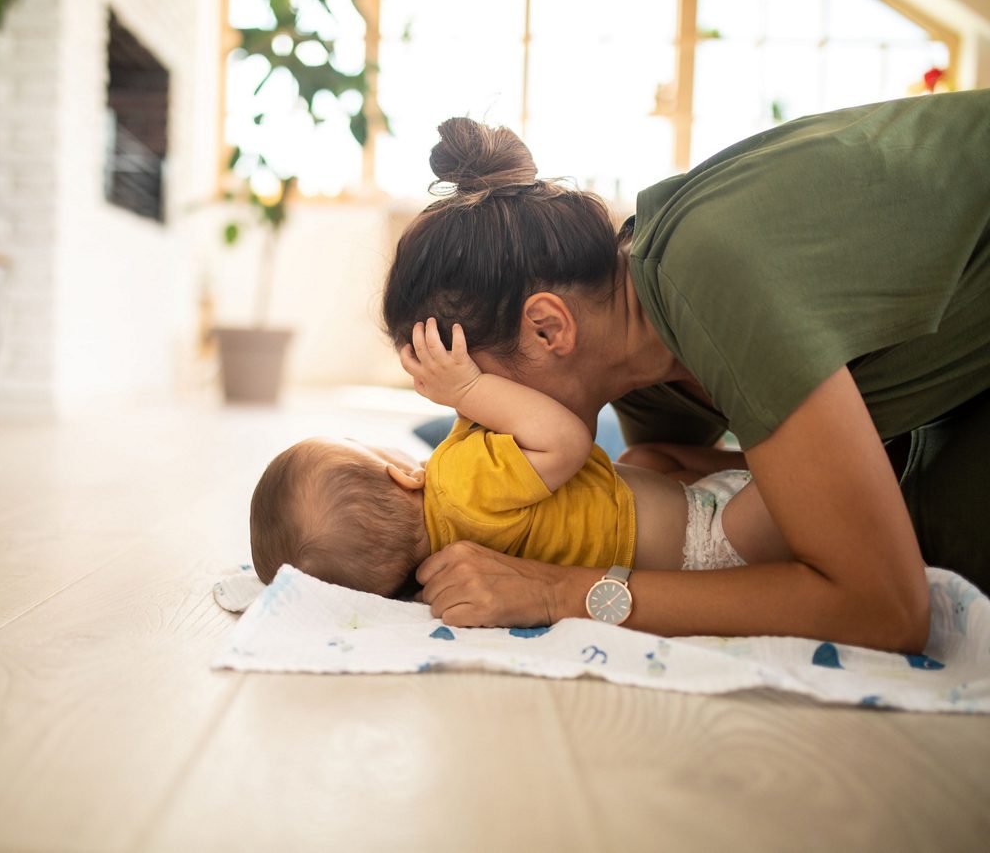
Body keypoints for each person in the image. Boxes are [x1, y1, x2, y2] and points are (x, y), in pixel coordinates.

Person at [381, 92, 990, 652]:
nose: (476, 420)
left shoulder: (709, 277)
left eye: (473, 391)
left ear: (548, 329)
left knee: (935, 539)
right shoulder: (638, 365)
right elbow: (684, 537)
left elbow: (887, 611)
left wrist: (556, 591)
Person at [249, 318, 791, 601]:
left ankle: (745, 474)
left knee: (644, 455)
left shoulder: (442, 560)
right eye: (364, 443)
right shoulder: (460, 483)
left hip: (671, 526)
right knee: (792, 473)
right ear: (403, 473)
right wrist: (466, 388)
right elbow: (565, 440)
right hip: (710, 538)